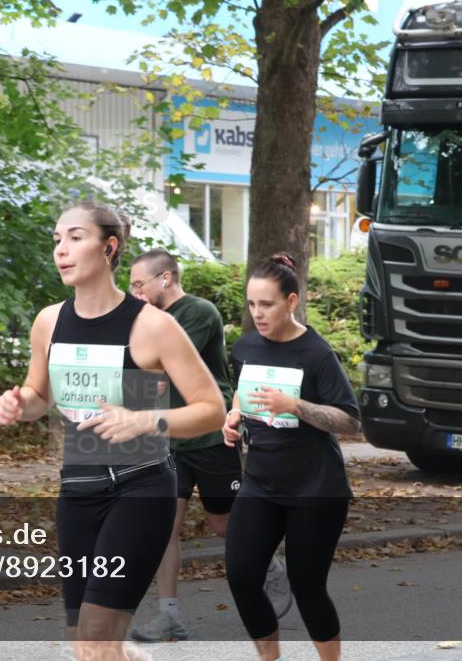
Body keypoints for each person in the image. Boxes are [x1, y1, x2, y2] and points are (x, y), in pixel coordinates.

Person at [0, 202, 225, 661]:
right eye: (57, 239)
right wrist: (18, 405)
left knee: (99, 641)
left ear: (109, 247)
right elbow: (39, 397)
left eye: (76, 237)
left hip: (140, 488)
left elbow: (212, 409)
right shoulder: (49, 321)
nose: (62, 249)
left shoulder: (151, 326)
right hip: (78, 489)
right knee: (89, 648)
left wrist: (146, 419)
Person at [126, 249, 292, 643]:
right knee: (165, 525)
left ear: (165, 278)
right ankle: (170, 616)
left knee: (222, 523)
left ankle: (267, 562)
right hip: (167, 438)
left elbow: (154, 362)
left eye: (139, 284)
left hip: (210, 434)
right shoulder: (145, 319)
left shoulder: (198, 312)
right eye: (130, 286)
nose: (133, 293)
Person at [222, 252, 360, 661]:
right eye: (251, 304)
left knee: (307, 586)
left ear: (292, 302)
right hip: (261, 482)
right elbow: (244, 393)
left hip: (315, 489)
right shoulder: (246, 346)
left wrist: (295, 405)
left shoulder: (316, 354)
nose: (257, 313)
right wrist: (233, 416)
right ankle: (270, 657)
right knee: (242, 576)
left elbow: (351, 421)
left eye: (267, 304)